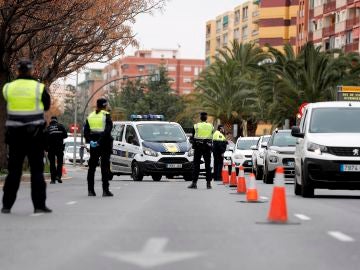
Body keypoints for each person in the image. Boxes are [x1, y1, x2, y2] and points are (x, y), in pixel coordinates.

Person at [1, 59, 52, 214]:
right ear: (31, 71)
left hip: (15, 136)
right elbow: (47, 105)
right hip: (35, 135)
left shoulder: (8, 88)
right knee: (37, 171)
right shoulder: (39, 88)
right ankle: (39, 205)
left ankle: (7, 206)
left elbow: (6, 100)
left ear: (17, 71)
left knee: (14, 171)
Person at [84, 98, 113, 197]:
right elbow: (107, 130)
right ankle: (105, 191)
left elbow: (86, 131)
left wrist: (91, 141)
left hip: (94, 144)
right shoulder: (106, 115)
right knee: (105, 167)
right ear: (105, 105)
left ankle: (90, 191)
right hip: (104, 143)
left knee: (91, 167)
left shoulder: (90, 116)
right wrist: (99, 141)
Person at [188, 112, 214, 189]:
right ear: (206, 118)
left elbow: (192, 137)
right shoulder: (211, 126)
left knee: (196, 166)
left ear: (200, 118)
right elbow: (211, 136)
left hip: (198, 147)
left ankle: (194, 183)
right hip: (207, 147)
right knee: (207, 166)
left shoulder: (196, 126)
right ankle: (208, 184)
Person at [46, 116, 68, 184]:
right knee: (60, 162)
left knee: (52, 164)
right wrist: (59, 137)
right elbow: (66, 135)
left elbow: (44, 139)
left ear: (51, 121)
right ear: (56, 120)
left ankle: (53, 180)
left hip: (51, 148)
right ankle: (58, 176)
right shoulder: (60, 126)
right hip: (59, 147)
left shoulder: (48, 128)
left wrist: (46, 148)